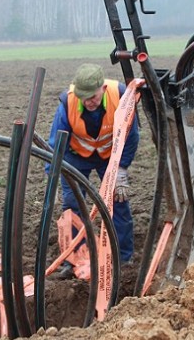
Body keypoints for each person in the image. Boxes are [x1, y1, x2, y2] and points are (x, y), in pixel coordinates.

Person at [47, 63, 140, 276]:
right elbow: (56, 143)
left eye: (93, 97)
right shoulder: (68, 103)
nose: (89, 102)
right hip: (77, 156)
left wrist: (122, 169)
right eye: (84, 97)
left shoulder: (121, 96)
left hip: (110, 156)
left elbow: (132, 136)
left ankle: (123, 258)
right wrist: (53, 175)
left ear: (103, 89)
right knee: (72, 204)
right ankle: (75, 259)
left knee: (118, 201)